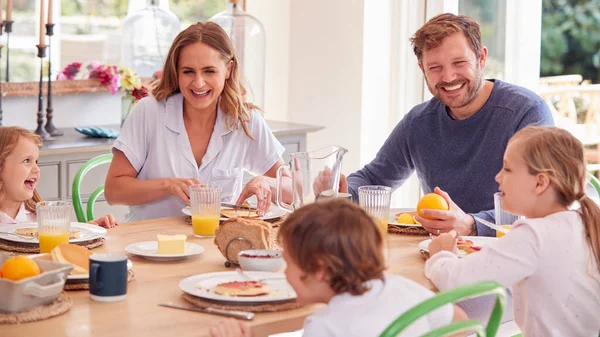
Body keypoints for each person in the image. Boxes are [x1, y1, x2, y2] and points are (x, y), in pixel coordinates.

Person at [332, 13, 554, 237]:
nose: (448, 77)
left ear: (482, 57)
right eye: (435, 67)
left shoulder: (526, 112)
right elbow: (373, 179)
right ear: (422, 68)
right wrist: (341, 193)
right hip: (441, 254)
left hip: (513, 253)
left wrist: (472, 224)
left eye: (459, 62)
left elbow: (542, 202)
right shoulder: (418, 123)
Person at [105, 22, 292, 221]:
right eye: (188, 71)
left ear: (228, 69)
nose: (199, 83)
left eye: (209, 71)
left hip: (218, 244)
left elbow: (292, 189)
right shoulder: (149, 112)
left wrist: (265, 182)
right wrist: (167, 185)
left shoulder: (244, 120)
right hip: (150, 244)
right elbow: (114, 191)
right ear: (176, 71)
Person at [426, 126, 600, 336]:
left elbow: (454, 281)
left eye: (507, 169)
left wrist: (441, 254)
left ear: (540, 182)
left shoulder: (533, 235)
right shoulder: (585, 222)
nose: (498, 177)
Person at [209, 198, 466, 337]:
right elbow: (461, 322)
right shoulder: (405, 288)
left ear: (319, 269)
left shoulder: (324, 326)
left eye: (288, 263)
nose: (284, 272)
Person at [0, 127, 117, 228]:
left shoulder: (39, 215)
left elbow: (63, 241)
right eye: (26, 161)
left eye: (36, 161)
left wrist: (91, 228)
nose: (36, 169)